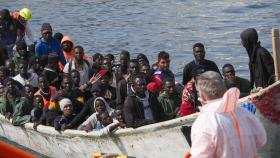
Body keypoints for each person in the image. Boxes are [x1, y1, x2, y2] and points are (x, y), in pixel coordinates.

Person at [187, 71, 266, 158]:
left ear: (201, 95)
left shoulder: (203, 122)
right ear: (225, 89)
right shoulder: (245, 112)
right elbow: (261, 141)